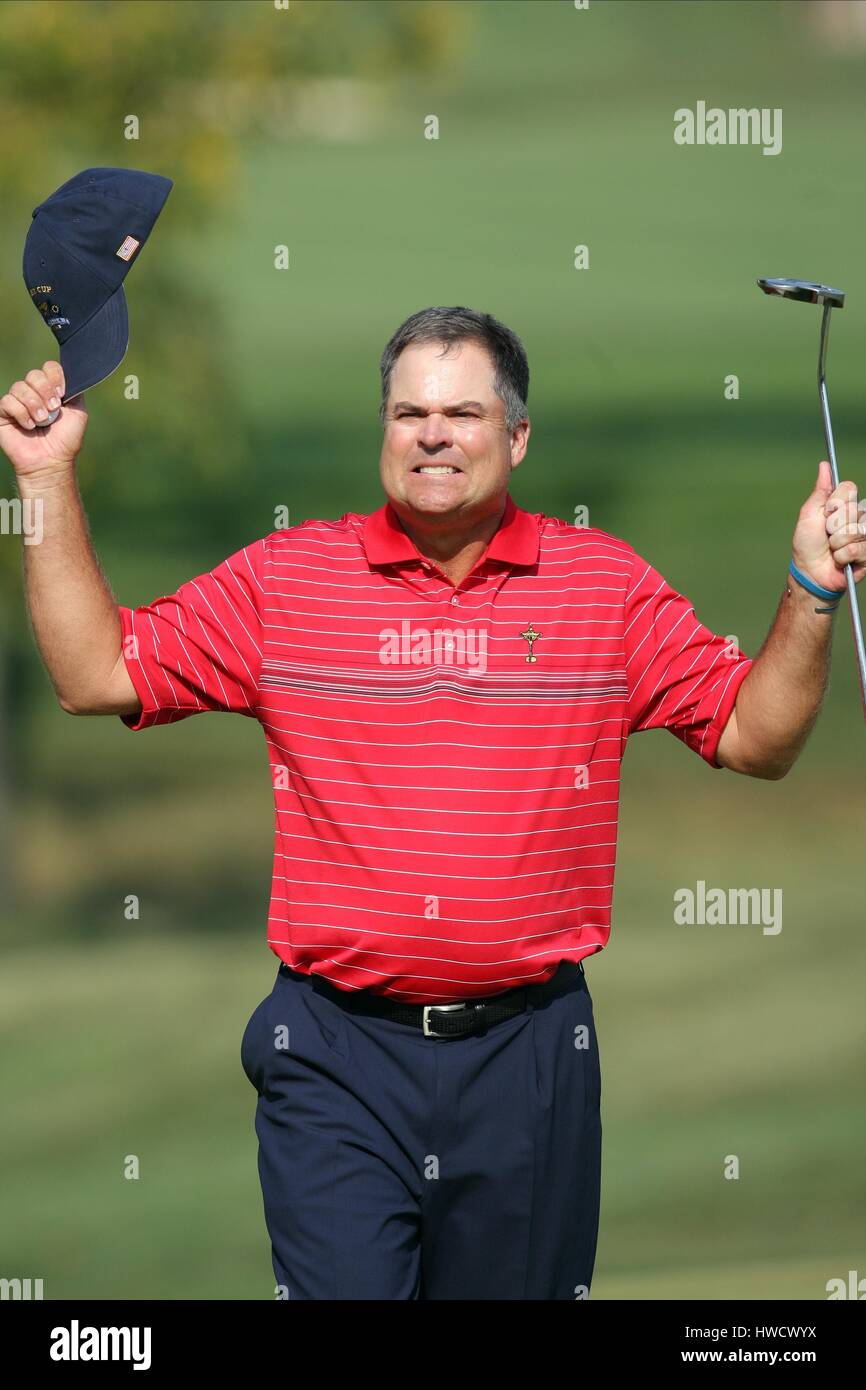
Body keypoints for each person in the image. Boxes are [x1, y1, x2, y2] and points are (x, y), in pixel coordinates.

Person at [3, 306, 864, 1300]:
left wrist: (810, 587)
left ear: (517, 436)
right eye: (408, 413)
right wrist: (45, 476)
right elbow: (95, 671)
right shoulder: (288, 580)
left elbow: (754, 737)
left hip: (528, 1059)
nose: (431, 436)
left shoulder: (602, 587)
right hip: (335, 1056)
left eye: (462, 413)